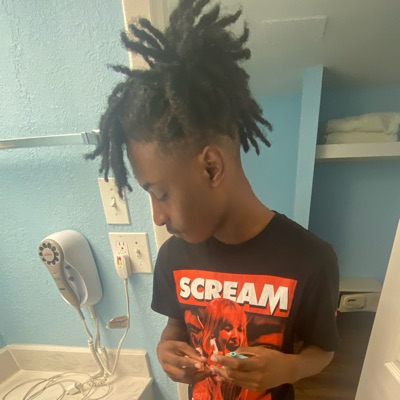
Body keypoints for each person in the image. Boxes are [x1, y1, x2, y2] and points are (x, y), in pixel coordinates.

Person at [85, 0, 340, 399]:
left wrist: (289, 367)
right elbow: (175, 328)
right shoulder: (174, 257)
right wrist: (167, 349)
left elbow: (323, 351)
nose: (158, 216)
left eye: (161, 194)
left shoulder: (311, 258)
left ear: (211, 167)